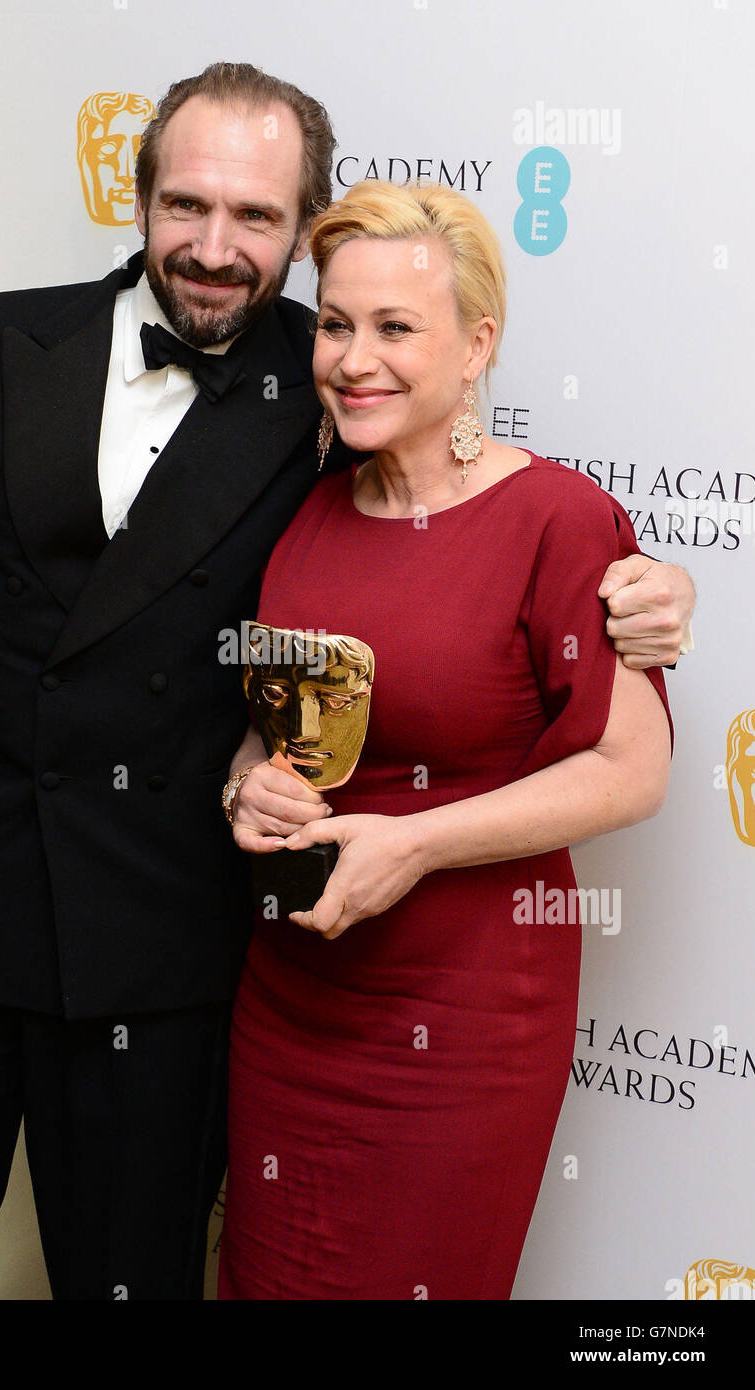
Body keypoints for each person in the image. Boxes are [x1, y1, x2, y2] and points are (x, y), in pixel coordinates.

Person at [0, 64, 691, 1302]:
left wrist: (649, 587)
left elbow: (474, 507)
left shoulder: (325, 389)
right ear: (140, 197)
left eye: (258, 219)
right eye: (188, 205)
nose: (215, 249)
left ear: (298, 235)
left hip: (158, 942)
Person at [219, 180, 674, 1301]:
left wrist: (416, 843)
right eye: (335, 324)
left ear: (477, 347)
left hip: (463, 1017)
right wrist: (248, 790)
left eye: (395, 328)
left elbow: (636, 769)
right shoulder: (309, 513)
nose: (353, 358)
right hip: (287, 1000)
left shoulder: (558, 519)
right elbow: (268, 736)